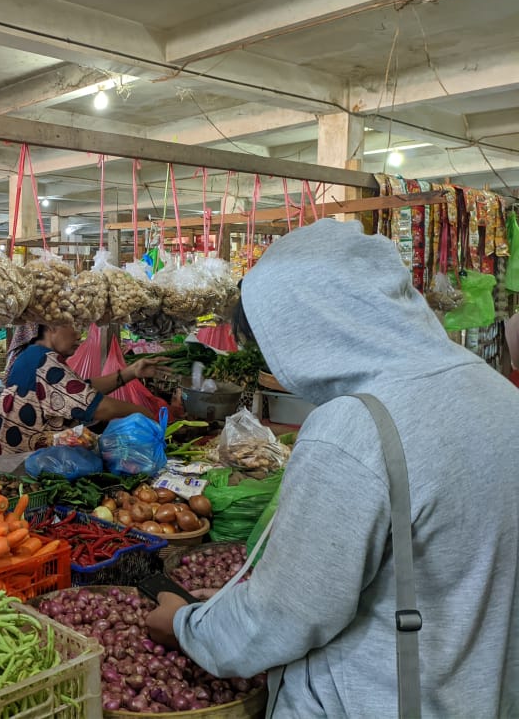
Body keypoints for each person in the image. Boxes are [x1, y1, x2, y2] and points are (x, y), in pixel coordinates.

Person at [145, 219, 519, 717]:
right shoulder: (499, 394)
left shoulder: (357, 426)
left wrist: (187, 627)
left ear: (306, 323)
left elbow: (289, 614)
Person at [0, 324, 166, 456]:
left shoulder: (33, 354)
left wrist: (131, 372)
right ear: (51, 325)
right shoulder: (43, 360)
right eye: (74, 326)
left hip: (13, 459)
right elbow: (97, 407)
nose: (79, 335)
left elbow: (81, 389)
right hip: (20, 464)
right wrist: (143, 412)